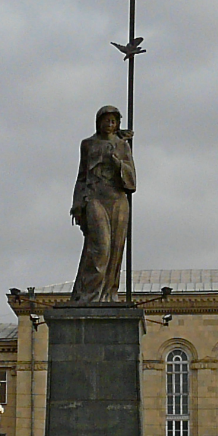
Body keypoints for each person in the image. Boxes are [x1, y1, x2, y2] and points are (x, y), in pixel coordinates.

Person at [69, 105, 135, 302]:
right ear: (98, 122)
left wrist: (118, 164)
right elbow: (82, 176)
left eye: (113, 121)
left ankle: (108, 294)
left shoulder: (122, 145)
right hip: (95, 197)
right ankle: (89, 296)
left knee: (115, 250)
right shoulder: (88, 144)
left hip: (117, 200)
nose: (109, 124)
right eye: (106, 120)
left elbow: (132, 181)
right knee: (101, 248)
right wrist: (77, 202)